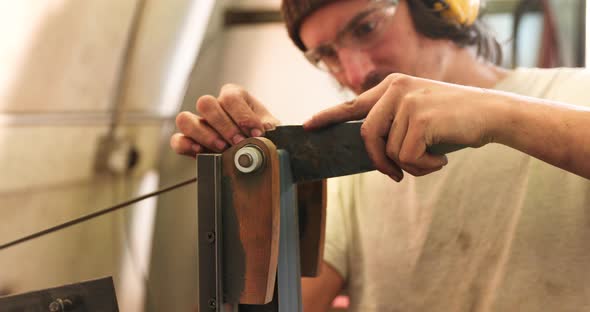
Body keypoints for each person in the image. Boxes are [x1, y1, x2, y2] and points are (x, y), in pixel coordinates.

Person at [171, 0, 590, 311]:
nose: (354, 74)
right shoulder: (360, 161)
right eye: (327, 56)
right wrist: (260, 184)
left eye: (367, 27)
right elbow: (289, 300)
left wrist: (498, 113)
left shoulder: (573, 98)